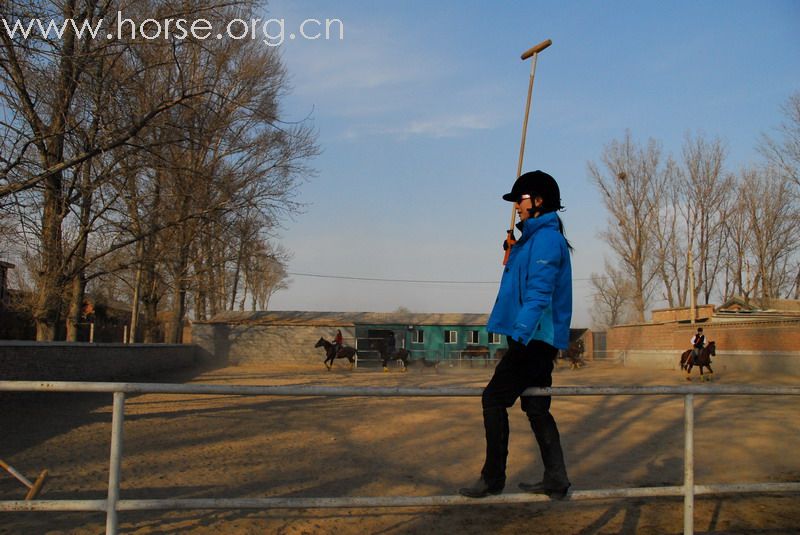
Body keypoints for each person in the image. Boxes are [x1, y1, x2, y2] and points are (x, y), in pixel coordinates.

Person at [459, 170, 573, 500]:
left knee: (493, 398)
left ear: (538, 201)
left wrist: (520, 335)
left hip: (534, 338)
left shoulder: (547, 240)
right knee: (536, 406)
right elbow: (518, 285)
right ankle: (556, 477)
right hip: (534, 337)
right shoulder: (531, 241)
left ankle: (493, 478)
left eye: (521, 200)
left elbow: (539, 292)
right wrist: (513, 249)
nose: (518, 207)